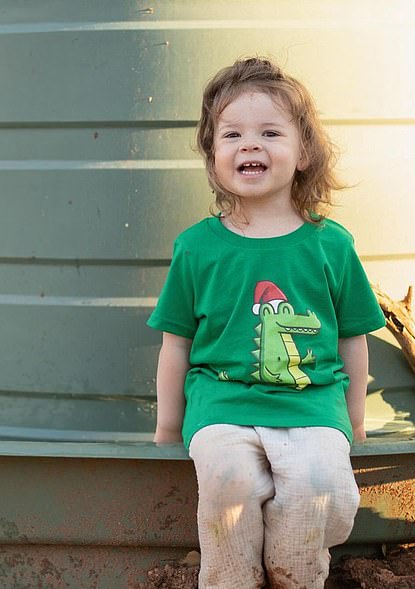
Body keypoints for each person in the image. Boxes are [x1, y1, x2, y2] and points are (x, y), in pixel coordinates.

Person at [146, 57, 386, 589]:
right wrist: (168, 426)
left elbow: (352, 338)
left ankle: (294, 575)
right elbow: (175, 344)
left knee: (321, 487)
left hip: (311, 402)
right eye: (232, 134)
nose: (250, 144)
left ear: (303, 154)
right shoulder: (197, 247)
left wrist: (356, 420)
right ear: (213, 158)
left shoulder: (331, 244)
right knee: (228, 482)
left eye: (270, 132)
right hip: (222, 403)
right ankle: (233, 579)